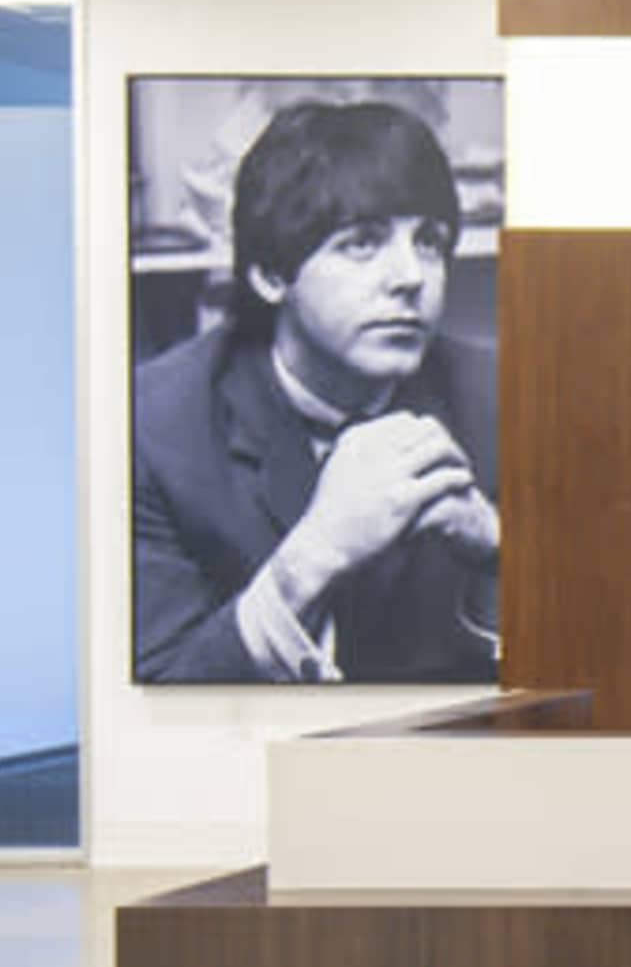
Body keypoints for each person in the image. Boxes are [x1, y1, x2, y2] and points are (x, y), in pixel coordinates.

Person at [130, 99, 499, 684]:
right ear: (271, 274)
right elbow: (156, 695)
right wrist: (317, 550)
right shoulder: (152, 428)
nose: (411, 277)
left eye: (429, 241)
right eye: (362, 243)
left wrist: (500, 550)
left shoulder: (503, 399)